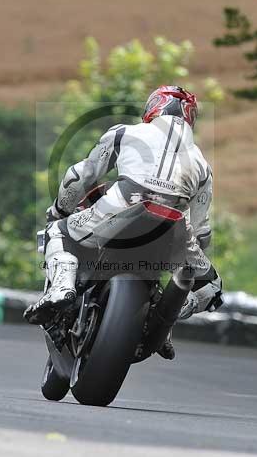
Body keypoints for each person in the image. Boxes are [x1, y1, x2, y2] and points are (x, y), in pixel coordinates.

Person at [23, 86, 223, 359]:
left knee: (57, 231)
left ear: (154, 107)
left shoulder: (126, 132)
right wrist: (189, 255)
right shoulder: (203, 164)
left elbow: (78, 176)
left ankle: (61, 289)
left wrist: (60, 210)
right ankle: (165, 320)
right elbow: (202, 230)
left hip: (123, 205)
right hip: (175, 225)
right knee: (213, 288)